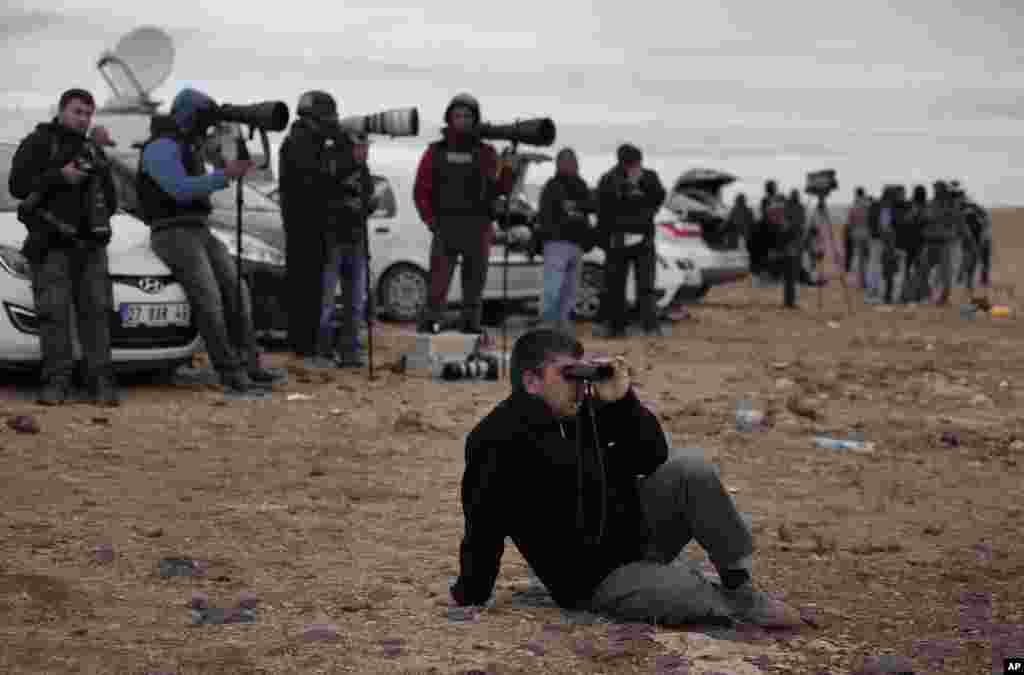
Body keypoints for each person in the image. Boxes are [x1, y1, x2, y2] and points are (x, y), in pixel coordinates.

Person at [449, 328, 805, 628]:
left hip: (636, 536)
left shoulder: (580, 411)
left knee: (691, 469)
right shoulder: (495, 439)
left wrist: (623, 403)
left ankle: (739, 584)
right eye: (567, 375)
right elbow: (482, 526)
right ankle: (729, 605)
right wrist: (471, 593)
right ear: (531, 381)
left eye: (580, 373)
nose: (577, 385)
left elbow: (652, 455)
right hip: (593, 579)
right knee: (686, 591)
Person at [137, 88, 284, 396]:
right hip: (171, 231)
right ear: (191, 117)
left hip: (198, 229)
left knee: (237, 290)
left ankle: (250, 364)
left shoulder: (189, 144)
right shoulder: (160, 146)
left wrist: (225, 154)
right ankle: (229, 372)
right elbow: (178, 188)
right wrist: (223, 174)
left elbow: (209, 176)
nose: (208, 125)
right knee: (209, 297)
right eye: (205, 119)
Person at [8, 88, 120, 406]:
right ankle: (56, 383)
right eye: (77, 111)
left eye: (87, 113)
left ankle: (101, 384)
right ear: (60, 111)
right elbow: (17, 186)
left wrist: (94, 217)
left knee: (96, 316)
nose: (83, 118)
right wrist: (59, 177)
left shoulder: (95, 152)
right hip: (51, 245)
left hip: (92, 248)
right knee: (54, 316)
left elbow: (111, 200)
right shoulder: (39, 142)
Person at [413, 93, 513, 335]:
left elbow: (501, 189)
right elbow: (420, 191)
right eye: (457, 115)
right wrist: (431, 221)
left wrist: (509, 167)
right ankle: (429, 331)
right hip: (445, 228)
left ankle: (470, 332)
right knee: (437, 287)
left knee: (474, 288)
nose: (462, 120)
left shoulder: (487, 152)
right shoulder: (435, 152)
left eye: (468, 116)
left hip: (478, 228)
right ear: (448, 119)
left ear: (476, 119)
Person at [278, 90, 338, 360]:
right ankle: (304, 345)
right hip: (306, 227)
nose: (333, 122)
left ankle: (305, 344)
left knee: (308, 287)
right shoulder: (302, 145)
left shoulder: (301, 141)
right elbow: (319, 179)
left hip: (306, 226)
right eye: (329, 117)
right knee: (306, 288)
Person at [314, 131, 376, 368]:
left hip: (357, 241)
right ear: (349, 148)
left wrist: (366, 205)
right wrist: (346, 205)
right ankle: (324, 350)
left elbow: (366, 200)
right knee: (327, 301)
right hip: (333, 241)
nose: (365, 152)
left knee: (356, 300)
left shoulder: (364, 172)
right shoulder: (331, 166)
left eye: (366, 148)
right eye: (360, 147)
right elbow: (321, 201)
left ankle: (349, 350)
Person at [595, 144, 667, 338]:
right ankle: (616, 327)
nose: (636, 166)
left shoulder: (649, 176)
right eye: (632, 163)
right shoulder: (609, 179)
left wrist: (641, 182)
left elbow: (659, 197)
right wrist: (604, 239)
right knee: (615, 286)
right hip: (618, 240)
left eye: (637, 162)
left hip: (644, 239)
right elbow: (601, 209)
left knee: (646, 285)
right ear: (622, 162)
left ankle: (650, 326)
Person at [535, 147, 596, 335]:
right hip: (556, 244)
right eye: (565, 161)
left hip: (576, 244)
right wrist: (573, 211)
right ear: (558, 164)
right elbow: (546, 215)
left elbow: (592, 206)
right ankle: (547, 325)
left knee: (570, 290)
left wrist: (574, 208)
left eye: (572, 161)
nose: (570, 164)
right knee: (552, 287)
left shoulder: (582, 185)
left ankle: (562, 325)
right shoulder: (552, 186)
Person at [915, 181, 962, 305]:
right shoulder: (930, 204)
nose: (936, 191)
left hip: (944, 242)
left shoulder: (950, 205)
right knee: (923, 271)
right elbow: (923, 220)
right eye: (935, 189)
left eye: (938, 189)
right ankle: (926, 295)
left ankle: (944, 298)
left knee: (946, 273)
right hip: (930, 242)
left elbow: (958, 221)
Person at [780, 189, 806, 308]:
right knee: (791, 273)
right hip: (792, 243)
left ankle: (788, 300)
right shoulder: (798, 208)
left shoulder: (788, 208)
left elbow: (786, 224)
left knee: (790, 274)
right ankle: (789, 301)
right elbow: (800, 224)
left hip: (790, 243)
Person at [845, 187, 871, 288]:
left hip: (857, 233)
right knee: (868, 259)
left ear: (856, 194)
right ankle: (866, 280)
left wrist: (851, 233)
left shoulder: (853, 205)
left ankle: (861, 282)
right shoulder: (868, 205)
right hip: (867, 233)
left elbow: (850, 222)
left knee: (860, 259)